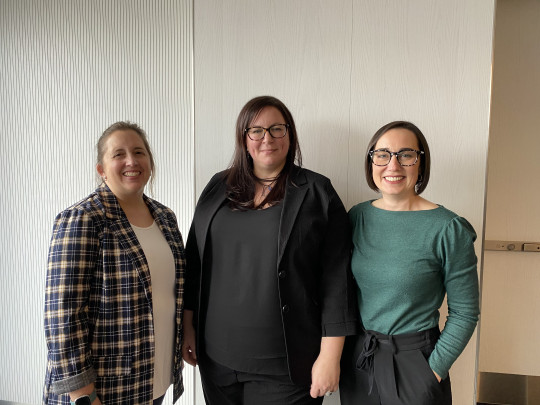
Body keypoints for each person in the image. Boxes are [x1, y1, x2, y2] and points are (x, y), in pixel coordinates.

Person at [181, 96, 358, 405]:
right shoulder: (217, 187)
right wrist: (187, 327)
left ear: (290, 134)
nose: (268, 138)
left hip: (286, 370)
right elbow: (194, 263)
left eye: (277, 128)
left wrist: (330, 357)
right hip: (218, 364)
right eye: (257, 130)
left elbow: (337, 281)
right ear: (243, 138)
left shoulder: (317, 192)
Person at [43, 122, 186, 405]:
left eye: (138, 152)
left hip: (152, 382)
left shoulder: (165, 218)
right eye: (118, 154)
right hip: (104, 390)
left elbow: (171, 294)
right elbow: (62, 316)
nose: (131, 161)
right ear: (101, 169)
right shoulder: (83, 218)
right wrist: (83, 395)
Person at [339, 121, 480, 405]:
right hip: (360, 359)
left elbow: (465, 311)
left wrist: (433, 371)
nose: (393, 165)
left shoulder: (448, 228)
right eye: (382, 154)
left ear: (420, 163)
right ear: (371, 161)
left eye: (406, 155)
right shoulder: (357, 217)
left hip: (416, 363)